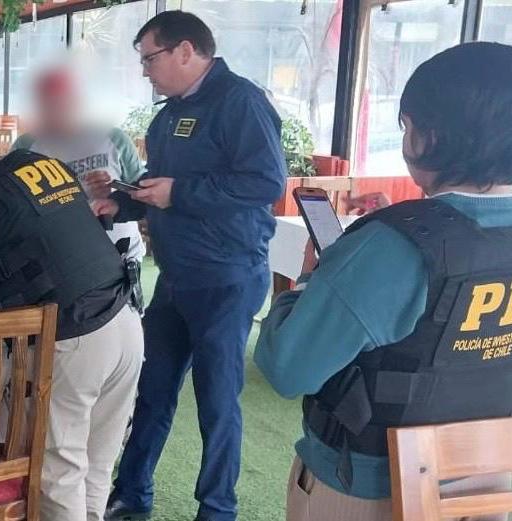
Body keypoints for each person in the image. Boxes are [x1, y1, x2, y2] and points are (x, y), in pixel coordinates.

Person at [255, 42, 512, 521]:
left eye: (407, 125)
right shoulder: (398, 242)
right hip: (493, 481)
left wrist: (314, 276)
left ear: (431, 136)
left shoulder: (391, 247)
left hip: (374, 487)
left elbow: (287, 367)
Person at [97, 11, 287, 521]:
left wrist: (179, 193)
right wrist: (123, 201)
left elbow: (266, 183)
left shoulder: (240, 102)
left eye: (149, 59)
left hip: (227, 276)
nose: (145, 71)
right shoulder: (169, 115)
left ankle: (217, 509)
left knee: (216, 401)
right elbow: (159, 186)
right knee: (152, 390)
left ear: (185, 50)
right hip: (176, 275)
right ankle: (131, 493)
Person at [0, 120, 144, 521]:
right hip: (126, 318)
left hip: (74, 339)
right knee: (96, 466)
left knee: (59, 474)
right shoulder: (34, 163)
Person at [11, 67, 147, 264]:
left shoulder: (113, 138)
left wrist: (114, 187)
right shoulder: (26, 147)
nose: (56, 113)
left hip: (121, 254)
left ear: (77, 103)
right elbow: (16, 204)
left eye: (62, 104)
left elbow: (142, 193)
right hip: (62, 259)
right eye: (48, 106)